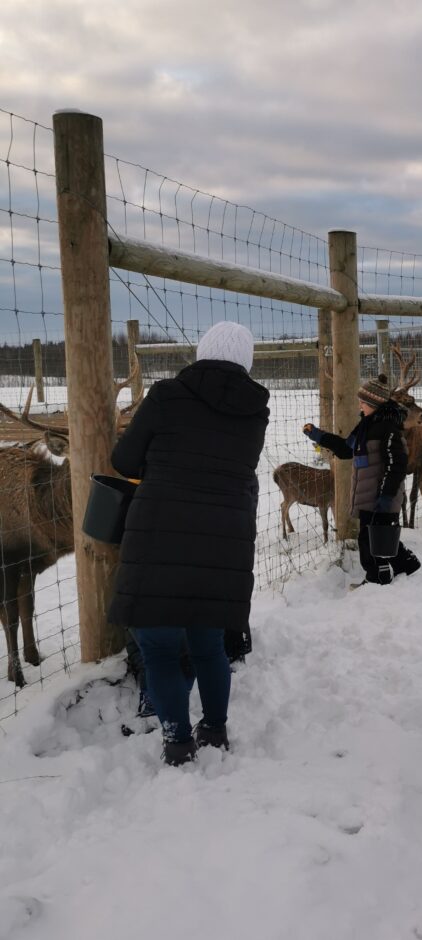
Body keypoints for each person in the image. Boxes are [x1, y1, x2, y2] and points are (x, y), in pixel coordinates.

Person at [109, 321, 269, 766]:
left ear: (200, 353)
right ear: (246, 362)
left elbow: (123, 460)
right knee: (208, 644)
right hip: (224, 541)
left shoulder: (165, 396)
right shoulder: (256, 412)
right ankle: (215, 731)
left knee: (158, 648)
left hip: (159, 534)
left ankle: (177, 741)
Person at [303, 375, 420, 586]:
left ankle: (377, 578)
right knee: (380, 535)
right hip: (369, 495)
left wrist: (386, 495)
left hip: (381, 495)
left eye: (363, 402)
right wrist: (319, 436)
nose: (360, 405)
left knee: (370, 539)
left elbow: (397, 464)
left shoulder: (388, 429)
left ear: (374, 404)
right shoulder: (365, 427)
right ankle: (407, 564)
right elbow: (346, 449)